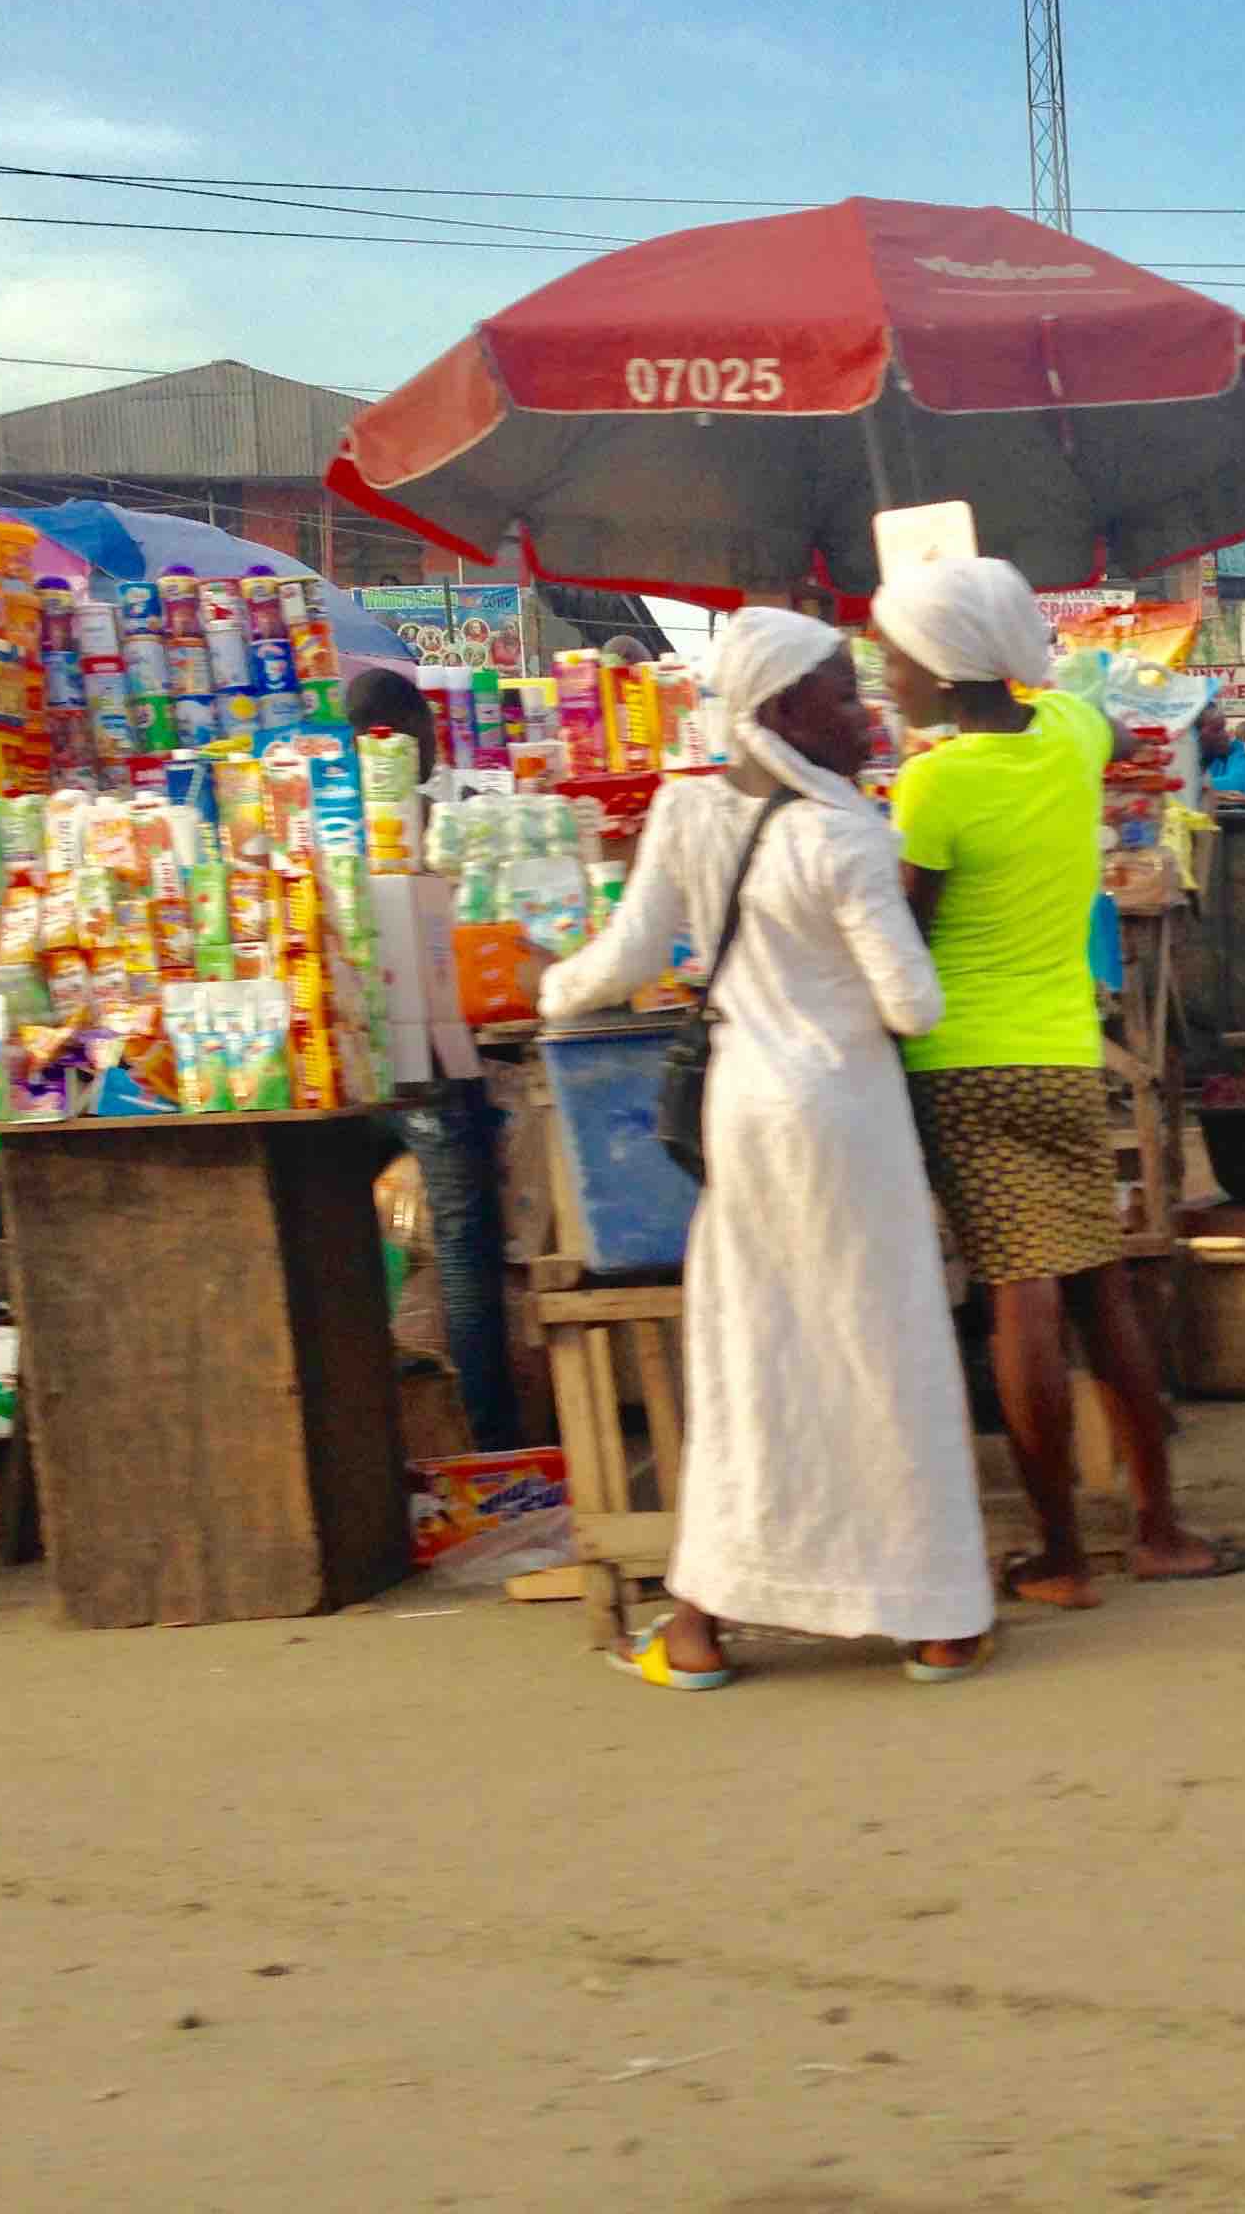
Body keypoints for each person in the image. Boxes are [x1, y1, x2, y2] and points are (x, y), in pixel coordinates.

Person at [539, 611, 994, 1688]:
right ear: (785, 708)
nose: (866, 711)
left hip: (744, 1116)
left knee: (754, 1361)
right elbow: (912, 1005)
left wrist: (546, 991)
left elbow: (621, 959)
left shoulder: (687, 812)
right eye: (843, 693)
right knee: (885, 1352)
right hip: (847, 1124)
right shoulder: (848, 837)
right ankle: (936, 1621)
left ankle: (697, 1628)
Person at [874, 555, 1245, 1607]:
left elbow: (909, 932)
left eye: (896, 655)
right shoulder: (1072, 738)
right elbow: (1125, 728)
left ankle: (1062, 1554)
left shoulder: (934, 781)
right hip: (1064, 1050)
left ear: (945, 672)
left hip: (965, 1063)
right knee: (1099, 1284)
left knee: (1019, 1297)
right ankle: (1159, 1527)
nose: (885, 672)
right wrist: (1059, 687)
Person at [345, 666, 519, 1449]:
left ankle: (381, 1438)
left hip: (349, 1064)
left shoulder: (330, 821)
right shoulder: (457, 819)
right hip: (439, 1061)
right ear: (421, 730)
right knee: (462, 1250)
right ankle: (491, 1442)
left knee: (346, 1243)